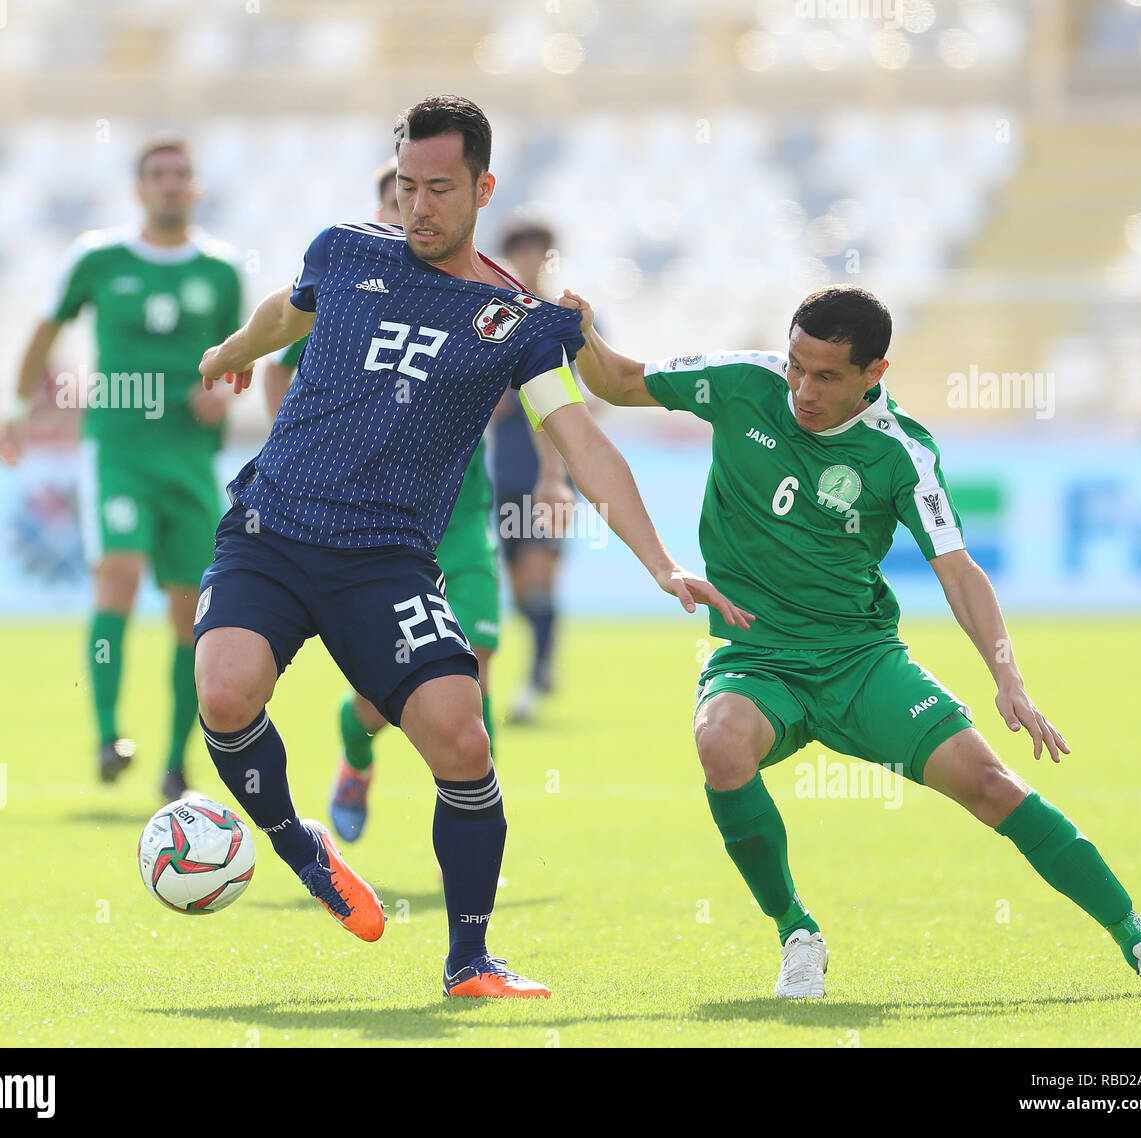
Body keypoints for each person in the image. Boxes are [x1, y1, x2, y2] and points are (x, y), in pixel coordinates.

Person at [193, 96, 750, 998]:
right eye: (407, 185)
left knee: (462, 740)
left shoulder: (518, 322)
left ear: (483, 188)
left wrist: (659, 560)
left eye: (440, 189)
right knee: (224, 691)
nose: (419, 206)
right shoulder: (345, 250)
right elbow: (284, 316)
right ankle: (299, 842)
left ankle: (470, 960)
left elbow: (583, 441)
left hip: (386, 560)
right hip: (273, 530)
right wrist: (231, 349)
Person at [560, 282, 1141, 998]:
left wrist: (1008, 678)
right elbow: (616, 381)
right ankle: (797, 931)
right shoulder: (743, 382)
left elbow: (958, 570)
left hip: (861, 664)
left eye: (827, 375)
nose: (802, 388)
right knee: (720, 741)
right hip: (758, 656)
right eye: (796, 364)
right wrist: (583, 330)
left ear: (874, 374)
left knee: (993, 786)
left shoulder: (901, 453)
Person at [262, 164, 573, 844]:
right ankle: (358, 751)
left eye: (428, 198)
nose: (411, 216)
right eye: (398, 201)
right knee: (383, 697)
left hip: (459, 518)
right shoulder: (346, 295)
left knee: (476, 664)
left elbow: (550, 394)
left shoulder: (478, 299)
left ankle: (465, 835)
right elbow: (275, 367)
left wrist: (554, 477)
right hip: (373, 529)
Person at [0, 135, 241, 801]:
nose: (169, 184)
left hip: (190, 460)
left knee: (193, 612)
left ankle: (174, 762)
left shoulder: (221, 270)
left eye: (180, 174)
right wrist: (17, 409)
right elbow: (46, 328)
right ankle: (108, 736)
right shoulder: (98, 259)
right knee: (120, 577)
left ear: (195, 188)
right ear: (139, 189)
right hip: (119, 449)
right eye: (157, 174)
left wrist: (220, 392)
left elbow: (238, 358)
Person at [489, 222, 569, 722]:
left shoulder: (566, 318)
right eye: (520, 251)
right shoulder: (494, 320)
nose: (530, 259)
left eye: (538, 251)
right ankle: (541, 666)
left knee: (540, 578)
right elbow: (492, 409)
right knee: (520, 590)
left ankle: (536, 680)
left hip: (552, 474)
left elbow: (593, 393)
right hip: (507, 475)